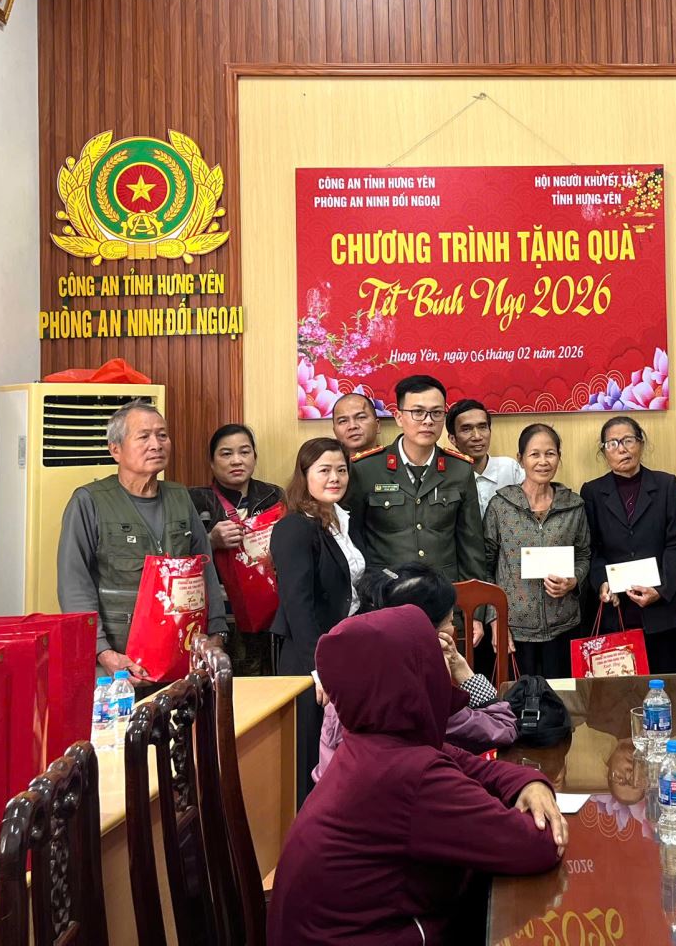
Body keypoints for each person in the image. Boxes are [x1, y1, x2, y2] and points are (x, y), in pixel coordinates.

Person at [269, 605, 565, 946]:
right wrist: (535, 789)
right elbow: (539, 845)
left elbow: (481, 768)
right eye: (433, 656)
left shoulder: (374, 742)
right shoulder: (407, 774)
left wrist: (531, 782)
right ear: (413, 675)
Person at [57, 399, 227, 680]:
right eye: (144, 436)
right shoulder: (89, 501)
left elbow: (204, 568)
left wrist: (217, 631)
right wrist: (102, 651)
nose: (156, 444)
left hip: (180, 654)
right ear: (115, 449)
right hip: (119, 661)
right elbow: (74, 584)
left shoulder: (180, 497)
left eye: (162, 435)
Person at [314, 564, 516, 781]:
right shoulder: (421, 697)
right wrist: (462, 669)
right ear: (427, 632)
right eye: (450, 622)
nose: (453, 630)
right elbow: (503, 727)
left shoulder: (349, 680)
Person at [272, 437, 363, 804]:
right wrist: (318, 668)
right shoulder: (295, 527)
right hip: (309, 658)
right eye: (324, 470)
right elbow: (298, 605)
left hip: (344, 649)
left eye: (341, 470)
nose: (334, 478)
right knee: (310, 753)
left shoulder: (342, 519)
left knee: (339, 752)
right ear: (304, 475)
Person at [581, 416, 676, 674]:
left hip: (660, 610)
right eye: (612, 443)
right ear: (604, 452)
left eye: (628, 440)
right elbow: (591, 548)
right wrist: (601, 582)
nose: (621, 449)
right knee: (618, 690)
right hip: (615, 609)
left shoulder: (666, 485)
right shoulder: (592, 492)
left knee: (662, 685)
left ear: (641, 443)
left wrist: (661, 589)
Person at [347, 374, 487, 581]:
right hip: (386, 591)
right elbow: (353, 540)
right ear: (398, 417)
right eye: (418, 412)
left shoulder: (460, 469)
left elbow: (471, 544)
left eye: (436, 413)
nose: (428, 421)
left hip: (444, 591)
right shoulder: (365, 469)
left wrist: (473, 598)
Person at [483, 424, 589, 679]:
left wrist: (573, 580)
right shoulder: (501, 506)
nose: (543, 462)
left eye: (550, 454)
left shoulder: (573, 505)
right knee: (518, 699)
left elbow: (584, 555)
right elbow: (485, 566)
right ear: (521, 459)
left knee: (561, 697)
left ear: (559, 457)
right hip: (514, 628)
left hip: (563, 625)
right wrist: (495, 620)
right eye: (534, 454)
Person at [189, 423, 284, 677]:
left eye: (244, 452)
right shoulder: (194, 500)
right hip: (219, 610)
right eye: (226, 453)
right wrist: (210, 541)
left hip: (267, 609)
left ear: (254, 456)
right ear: (211, 462)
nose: (236, 460)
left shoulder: (273, 496)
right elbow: (177, 558)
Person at [447, 398, 526, 517]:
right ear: (453, 439)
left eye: (482, 427)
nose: (477, 436)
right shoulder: (447, 478)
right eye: (466, 429)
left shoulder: (510, 468)